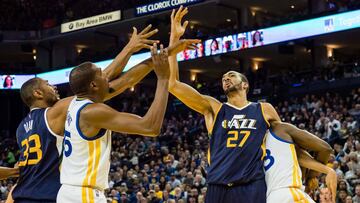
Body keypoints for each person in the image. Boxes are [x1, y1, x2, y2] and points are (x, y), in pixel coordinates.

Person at [10, 25, 161, 203]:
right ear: (38, 94)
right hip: (47, 196)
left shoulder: (21, 129)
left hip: (22, 194)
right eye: (48, 84)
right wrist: (132, 49)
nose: (54, 87)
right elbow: (104, 83)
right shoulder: (56, 111)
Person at [168, 7, 280, 203]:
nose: (226, 78)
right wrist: (173, 44)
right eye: (223, 77)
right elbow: (173, 85)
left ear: (245, 84)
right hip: (217, 187)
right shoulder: (215, 108)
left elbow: (284, 141)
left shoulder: (264, 109)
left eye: (231, 75)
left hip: (251, 185)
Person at [56, 43, 171, 203]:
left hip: (70, 192)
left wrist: (158, 57)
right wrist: (163, 78)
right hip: (84, 195)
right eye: (102, 74)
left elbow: (126, 80)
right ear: (93, 85)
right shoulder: (93, 112)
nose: (107, 76)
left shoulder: (76, 102)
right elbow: (150, 127)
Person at [265, 121, 337, 203]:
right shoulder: (280, 130)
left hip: (269, 198)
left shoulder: (254, 146)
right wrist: (312, 176)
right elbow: (326, 149)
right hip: (289, 192)